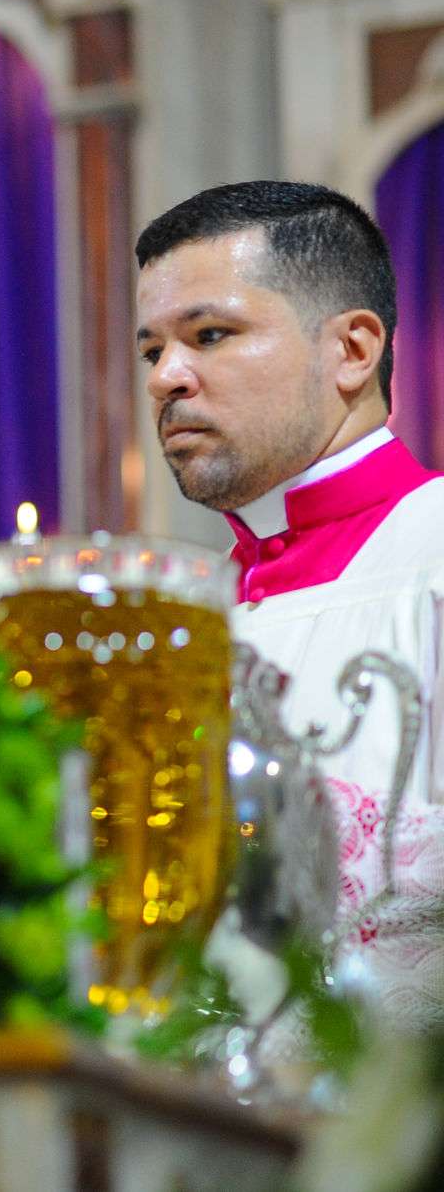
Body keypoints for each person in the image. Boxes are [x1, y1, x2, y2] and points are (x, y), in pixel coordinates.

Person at [134, 180, 444, 1026]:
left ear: (352, 349)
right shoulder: (177, 626)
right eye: (152, 350)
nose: (166, 377)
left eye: (209, 334)